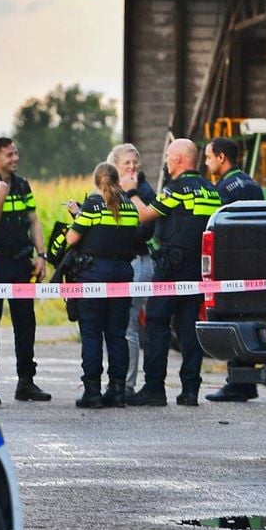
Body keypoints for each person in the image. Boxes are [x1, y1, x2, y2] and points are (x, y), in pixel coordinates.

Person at [121, 138, 221, 406]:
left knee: (156, 323)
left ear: (178, 159)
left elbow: (144, 216)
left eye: (167, 155)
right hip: (198, 271)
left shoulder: (175, 189)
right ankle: (190, 390)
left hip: (171, 269)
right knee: (189, 328)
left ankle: (154, 388)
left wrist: (131, 192)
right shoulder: (211, 191)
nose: (165, 160)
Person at [0, 138, 52, 404]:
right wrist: (0, 197)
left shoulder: (23, 185)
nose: (15, 158)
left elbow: (33, 220)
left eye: (16, 153)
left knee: (25, 323)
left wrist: (41, 256)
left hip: (21, 262)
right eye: (10, 154)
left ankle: (26, 382)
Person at [65, 163, 140, 408]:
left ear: (97, 182)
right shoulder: (130, 206)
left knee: (92, 334)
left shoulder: (92, 206)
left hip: (93, 275)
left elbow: (73, 238)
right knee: (117, 334)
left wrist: (76, 216)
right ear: (117, 181)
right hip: (122, 274)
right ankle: (117, 390)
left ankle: (93, 392)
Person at [202, 137, 266, 402]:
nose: (206, 163)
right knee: (248, 316)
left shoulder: (223, 189)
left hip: (232, 261)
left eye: (208, 157)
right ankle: (244, 379)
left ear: (221, 158)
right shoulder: (252, 183)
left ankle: (238, 383)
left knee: (232, 317)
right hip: (257, 259)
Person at [107, 143, 156, 397]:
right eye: (127, 163)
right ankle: (115, 380)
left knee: (128, 324)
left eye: (135, 163)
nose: (132, 167)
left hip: (137, 261)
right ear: (115, 165)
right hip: (115, 263)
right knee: (114, 324)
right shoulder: (109, 189)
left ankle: (126, 385)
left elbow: (145, 229)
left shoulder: (143, 190)